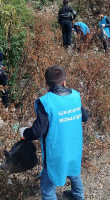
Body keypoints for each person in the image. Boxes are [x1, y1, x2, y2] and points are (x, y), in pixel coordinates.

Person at [19, 66, 89, 200]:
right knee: (74, 172)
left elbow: (37, 131)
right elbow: (84, 117)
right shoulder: (75, 96)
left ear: (46, 83)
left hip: (56, 152)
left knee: (47, 186)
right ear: (64, 82)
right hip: (74, 147)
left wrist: (25, 132)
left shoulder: (45, 102)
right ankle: (79, 196)